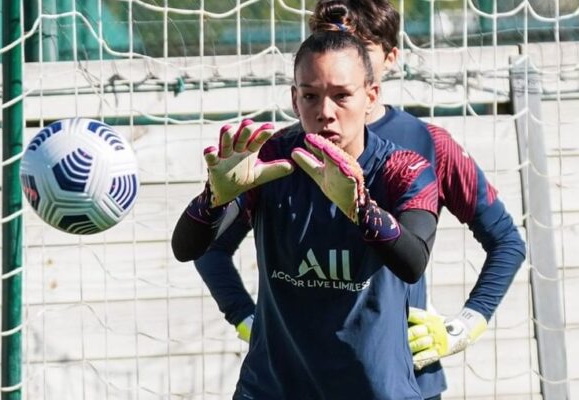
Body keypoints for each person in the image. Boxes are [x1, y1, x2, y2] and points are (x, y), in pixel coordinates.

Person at [192, 1, 527, 399]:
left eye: (359, 48)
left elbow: (506, 241)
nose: (340, 56)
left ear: (386, 60)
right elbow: (208, 245)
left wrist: (462, 327)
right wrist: (247, 318)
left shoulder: (424, 146)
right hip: (293, 380)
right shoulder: (284, 153)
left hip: (400, 380)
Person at [173, 31, 442, 398]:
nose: (325, 112)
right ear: (294, 99)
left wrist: (361, 209)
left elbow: (413, 261)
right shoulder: (270, 162)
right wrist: (213, 199)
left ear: (371, 97)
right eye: (310, 95)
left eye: (342, 95)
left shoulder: (402, 168)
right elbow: (188, 248)